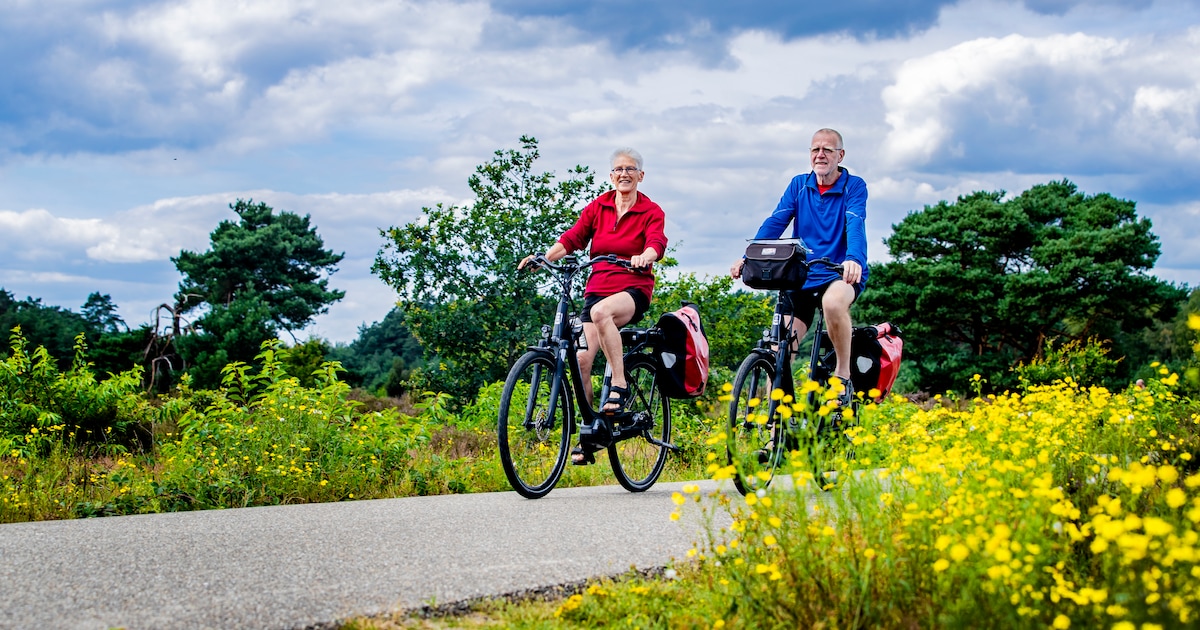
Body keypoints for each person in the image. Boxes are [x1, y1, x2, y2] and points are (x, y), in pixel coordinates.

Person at [519, 148, 668, 465]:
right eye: (618, 169)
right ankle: (590, 432)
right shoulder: (598, 206)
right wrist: (544, 257)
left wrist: (647, 256)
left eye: (630, 169)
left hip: (632, 288)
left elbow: (657, 242)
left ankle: (619, 382)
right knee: (582, 359)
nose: (623, 174)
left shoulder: (651, 210)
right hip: (596, 290)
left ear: (640, 176)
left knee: (603, 314)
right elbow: (573, 238)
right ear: (611, 175)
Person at [730, 128, 868, 407]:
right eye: (815, 149)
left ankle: (842, 372)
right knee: (779, 350)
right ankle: (776, 431)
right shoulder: (798, 185)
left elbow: (855, 222)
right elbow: (776, 221)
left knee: (832, 304)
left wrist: (853, 258)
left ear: (840, 155)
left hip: (839, 271)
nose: (820, 154)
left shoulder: (854, 185)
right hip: (803, 275)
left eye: (828, 150)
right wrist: (749, 255)